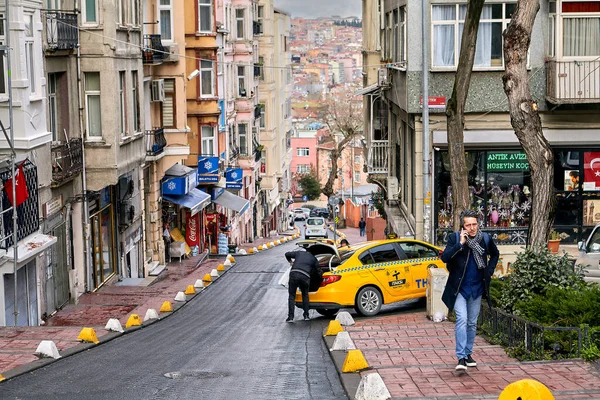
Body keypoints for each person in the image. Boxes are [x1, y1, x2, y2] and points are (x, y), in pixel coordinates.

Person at [441, 210, 499, 371]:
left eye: (474, 224)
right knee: (462, 319)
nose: (472, 228)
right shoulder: (455, 238)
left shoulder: (485, 239)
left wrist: (489, 271)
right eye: (468, 225)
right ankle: (460, 357)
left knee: (472, 323)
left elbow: (495, 254)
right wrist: (460, 244)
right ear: (463, 226)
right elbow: (445, 257)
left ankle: (468, 354)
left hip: (477, 288)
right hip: (459, 288)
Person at [284, 248, 322, 322]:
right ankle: (306, 315)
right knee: (305, 295)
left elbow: (287, 254)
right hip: (305, 277)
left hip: (294, 274)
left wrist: (290, 262)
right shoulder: (313, 259)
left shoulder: (299, 253)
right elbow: (318, 272)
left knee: (291, 296)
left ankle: (290, 317)